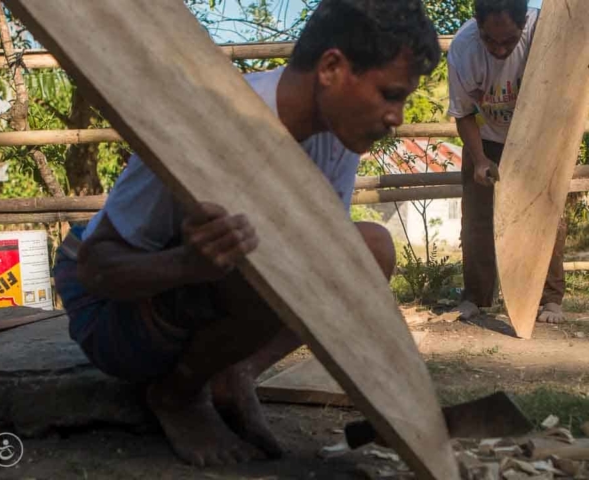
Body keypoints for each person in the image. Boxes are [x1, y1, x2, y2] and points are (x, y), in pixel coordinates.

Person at [53, 0, 440, 468]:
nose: (396, 116)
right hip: (109, 311)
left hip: (196, 286)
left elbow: (329, 264)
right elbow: (96, 270)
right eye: (389, 94)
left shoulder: (338, 134)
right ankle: (179, 395)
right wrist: (186, 264)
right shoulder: (205, 124)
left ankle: (236, 371)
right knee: (266, 253)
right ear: (332, 68)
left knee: (368, 249)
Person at [448, 0, 566, 324]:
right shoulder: (463, 47)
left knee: (546, 213)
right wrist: (480, 159)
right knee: (476, 217)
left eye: (509, 41)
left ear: (523, 25)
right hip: (485, 137)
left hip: (538, 133)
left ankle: (550, 299)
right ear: (478, 25)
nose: (500, 51)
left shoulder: (545, 33)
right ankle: (476, 296)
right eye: (490, 40)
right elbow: (463, 114)